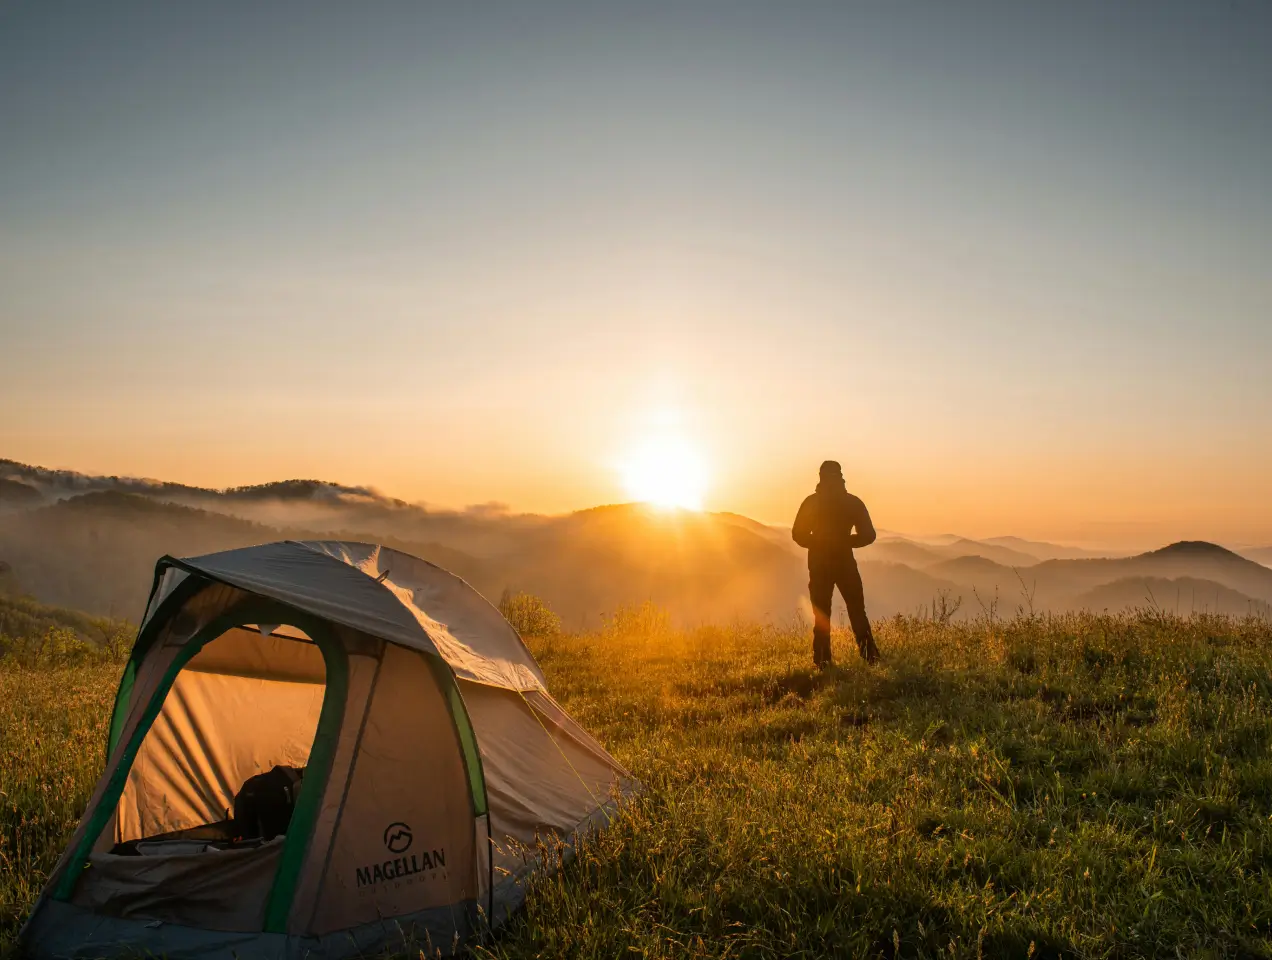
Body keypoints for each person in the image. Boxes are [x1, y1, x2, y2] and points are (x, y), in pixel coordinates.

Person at [791, 460, 879, 668]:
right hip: (845, 562)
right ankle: (870, 657)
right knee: (857, 610)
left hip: (819, 563)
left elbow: (797, 534)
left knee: (821, 613)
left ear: (820, 477)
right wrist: (846, 541)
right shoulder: (852, 502)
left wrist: (819, 543)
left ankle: (823, 661)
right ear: (841, 477)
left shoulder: (811, 502)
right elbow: (869, 535)